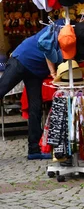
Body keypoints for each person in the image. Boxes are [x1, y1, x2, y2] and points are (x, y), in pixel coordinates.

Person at [0, 22, 63, 159]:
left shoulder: (72, 31)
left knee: (36, 108)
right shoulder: (61, 25)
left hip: (35, 70)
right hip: (22, 59)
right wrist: (53, 72)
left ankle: (34, 150)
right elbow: (46, 45)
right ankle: (34, 149)